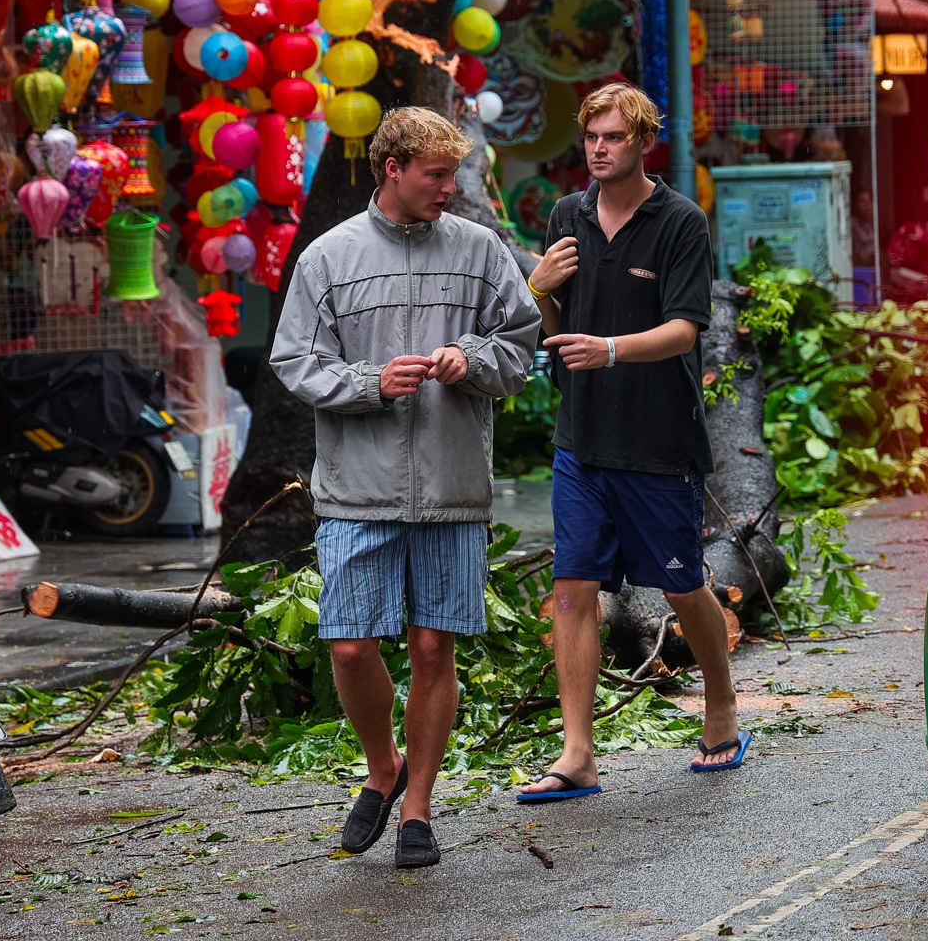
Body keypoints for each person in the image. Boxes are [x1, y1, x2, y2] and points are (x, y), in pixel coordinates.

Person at [271, 106, 539, 868]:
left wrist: (471, 360)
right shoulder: (328, 256)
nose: (449, 188)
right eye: (435, 174)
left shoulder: (482, 250)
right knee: (352, 647)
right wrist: (369, 382)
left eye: (453, 173)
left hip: (453, 488)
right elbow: (295, 359)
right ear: (392, 169)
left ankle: (417, 808)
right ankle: (382, 768)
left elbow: (519, 349)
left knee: (431, 648)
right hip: (357, 487)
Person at [516, 82, 745, 802]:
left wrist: (611, 350)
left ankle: (721, 704)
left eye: (613, 138)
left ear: (643, 141)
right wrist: (536, 287)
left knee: (682, 585)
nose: (598, 149)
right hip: (581, 440)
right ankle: (578, 753)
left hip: (659, 441)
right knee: (572, 589)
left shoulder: (679, 221)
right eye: (591, 138)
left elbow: (685, 328)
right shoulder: (567, 214)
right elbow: (551, 322)